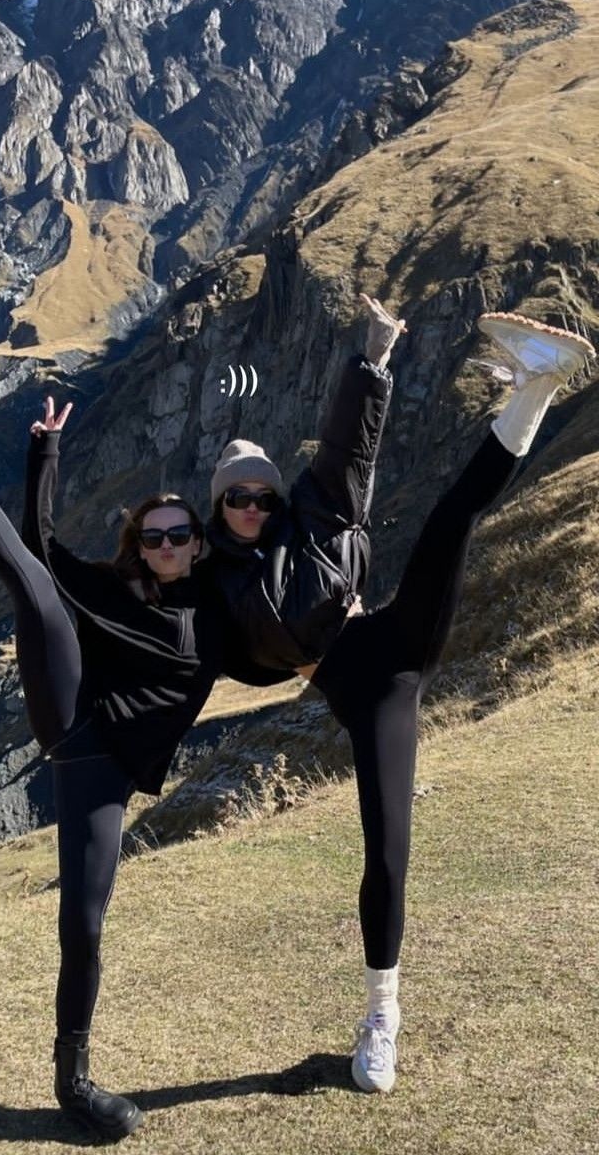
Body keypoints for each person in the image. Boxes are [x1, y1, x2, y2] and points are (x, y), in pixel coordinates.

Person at [204, 305, 595, 1094]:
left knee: (451, 520)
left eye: (260, 494)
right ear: (218, 509)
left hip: (394, 640)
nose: (252, 505)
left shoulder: (310, 512)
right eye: (235, 499)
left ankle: (539, 384)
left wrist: (374, 358)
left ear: (276, 497)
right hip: (369, 691)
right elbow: (194, 638)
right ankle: (383, 1013)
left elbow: (349, 443)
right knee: (385, 853)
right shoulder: (213, 588)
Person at [0, 368, 286, 1142]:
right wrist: (46, 452)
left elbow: (264, 657)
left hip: (101, 774)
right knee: (39, 588)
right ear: (139, 545)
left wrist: (327, 643)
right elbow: (40, 544)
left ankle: (70, 1079)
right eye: (154, 535)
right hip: (75, 720)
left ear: (197, 543)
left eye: (180, 534)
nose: (168, 544)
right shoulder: (118, 592)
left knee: (86, 923)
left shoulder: (212, 617)